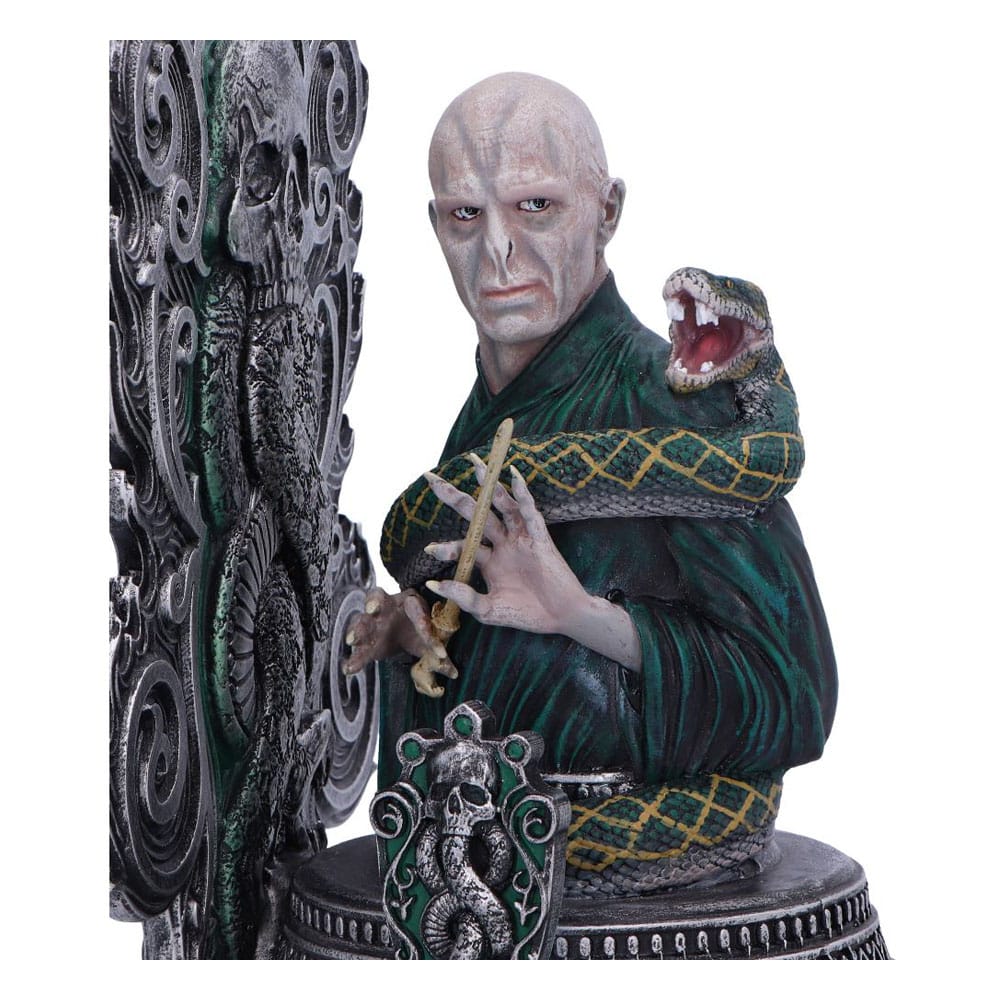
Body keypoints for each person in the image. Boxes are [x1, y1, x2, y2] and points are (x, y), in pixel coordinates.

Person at [343, 73, 836, 893]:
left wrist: (582, 616)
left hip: (628, 878)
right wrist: (419, 625)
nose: (498, 251)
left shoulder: (671, 403)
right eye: (466, 215)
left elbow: (794, 694)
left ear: (606, 211)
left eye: (536, 206)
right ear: (435, 225)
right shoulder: (487, 416)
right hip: (452, 867)